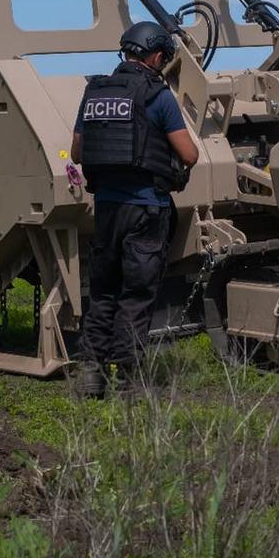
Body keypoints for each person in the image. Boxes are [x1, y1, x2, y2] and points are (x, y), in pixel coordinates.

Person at [70, 21, 199, 397]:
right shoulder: (158, 96)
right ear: (156, 55)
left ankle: (91, 374)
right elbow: (189, 154)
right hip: (146, 209)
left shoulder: (94, 91)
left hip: (107, 209)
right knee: (136, 294)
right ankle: (127, 380)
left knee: (104, 291)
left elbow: (78, 152)